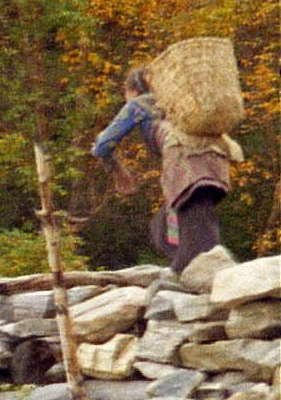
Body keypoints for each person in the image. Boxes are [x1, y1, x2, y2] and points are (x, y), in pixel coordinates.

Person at [91, 67, 242, 273]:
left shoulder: (139, 104)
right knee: (165, 227)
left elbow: (102, 144)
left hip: (187, 167)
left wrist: (117, 170)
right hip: (214, 162)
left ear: (133, 90)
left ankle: (208, 276)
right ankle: (198, 269)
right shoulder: (178, 107)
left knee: (196, 227)